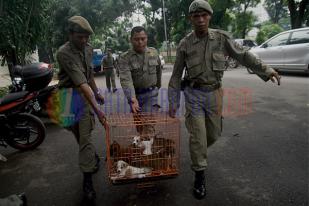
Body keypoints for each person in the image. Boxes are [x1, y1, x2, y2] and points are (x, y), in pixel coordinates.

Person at [168, 0, 281, 200]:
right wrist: (173, 100)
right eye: (196, 16)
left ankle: (200, 150)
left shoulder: (221, 38)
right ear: (191, 19)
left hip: (215, 94)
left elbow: (244, 56)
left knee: (213, 135)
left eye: (204, 15)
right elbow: (176, 74)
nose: (201, 20)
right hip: (193, 95)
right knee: (198, 137)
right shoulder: (184, 44)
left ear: (209, 16)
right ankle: (199, 176)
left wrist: (266, 69)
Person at [56, 15, 106, 203]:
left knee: (85, 136)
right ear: (70, 34)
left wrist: (97, 93)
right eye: (79, 37)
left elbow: (89, 76)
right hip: (68, 97)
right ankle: (90, 156)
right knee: (77, 133)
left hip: (83, 96)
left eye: (86, 37)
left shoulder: (88, 49)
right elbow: (80, 82)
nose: (84, 40)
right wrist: (99, 111)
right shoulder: (63, 53)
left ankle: (87, 182)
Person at [118, 26, 162, 114]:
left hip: (151, 95)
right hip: (135, 96)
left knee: (148, 126)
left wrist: (157, 87)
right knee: (139, 126)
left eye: (143, 39)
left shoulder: (154, 53)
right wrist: (132, 99)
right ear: (131, 40)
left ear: (147, 38)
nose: (140, 42)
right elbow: (126, 80)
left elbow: (158, 72)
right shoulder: (125, 58)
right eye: (136, 39)